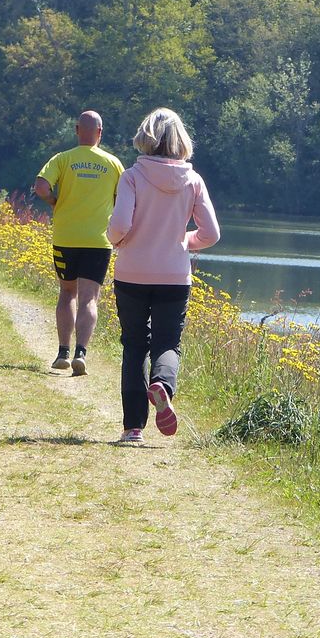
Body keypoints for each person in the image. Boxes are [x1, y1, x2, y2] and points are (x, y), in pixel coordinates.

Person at [106, 108, 219, 444]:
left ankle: (133, 428)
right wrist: (184, 241)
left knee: (134, 345)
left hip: (132, 273)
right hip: (174, 276)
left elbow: (120, 225)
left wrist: (116, 241)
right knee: (167, 343)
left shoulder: (132, 177)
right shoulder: (193, 181)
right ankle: (163, 385)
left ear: (146, 138)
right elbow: (211, 234)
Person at [34, 110, 122, 376]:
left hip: (66, 238)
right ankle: (80, 353)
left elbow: (41, 187)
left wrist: (54, 202)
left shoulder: (62, 159)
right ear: (100, 132)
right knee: (89, 298)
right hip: (98, 240)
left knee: (67, 293)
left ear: (76, 130)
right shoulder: (113, 163)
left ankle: (62, 352)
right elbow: (125, 199)